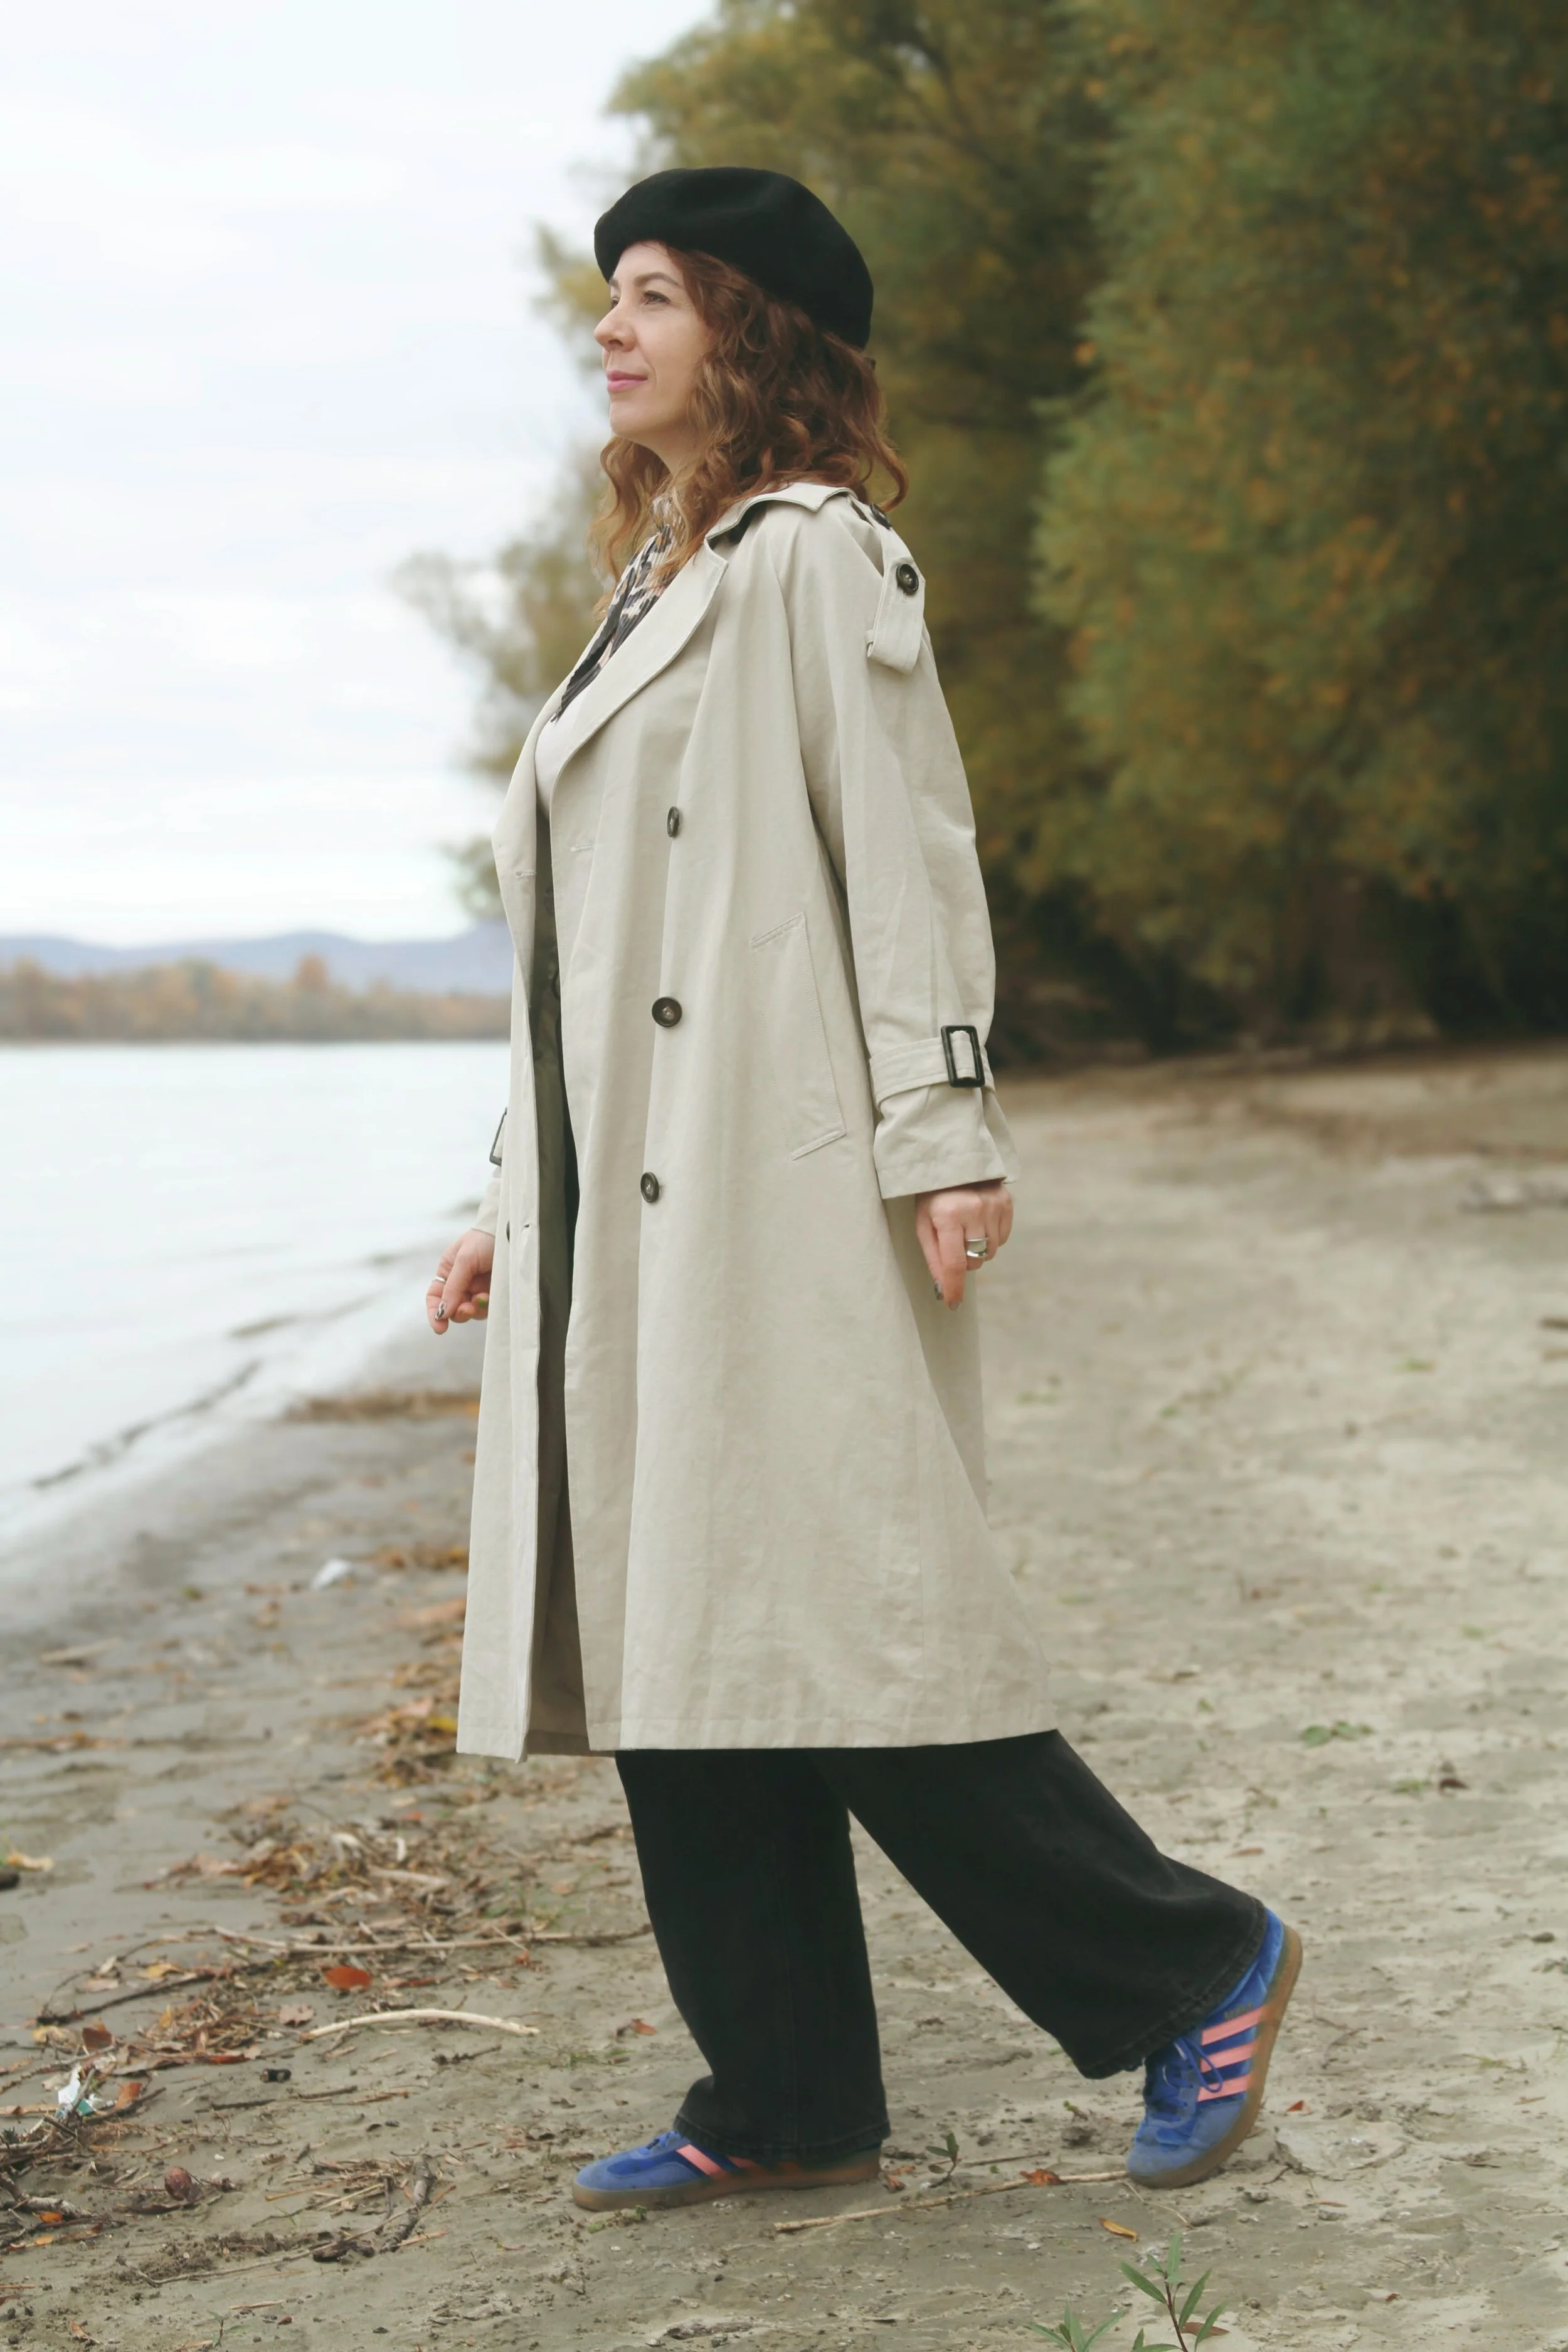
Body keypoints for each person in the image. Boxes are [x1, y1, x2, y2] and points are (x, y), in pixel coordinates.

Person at [426, 165, 1300, 2210]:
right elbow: (575, 955)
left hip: (775, 1173)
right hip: (629, 1196)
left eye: (655, 294)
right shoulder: (657, 575)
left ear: (753, 322)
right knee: (684, 1642)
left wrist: (943, 1128)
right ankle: (788, 2086)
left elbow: (909, 859)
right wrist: (499, 1192)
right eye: (607, 296)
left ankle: (1191, 1960)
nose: (613, 327)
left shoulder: (820, 557)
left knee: (845, 1617)